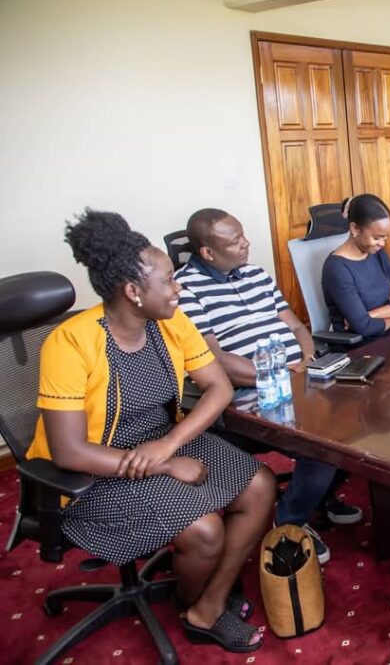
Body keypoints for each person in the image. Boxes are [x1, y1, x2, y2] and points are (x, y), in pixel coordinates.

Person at [28, 210, 275, 653]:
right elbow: (68, 451)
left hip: (160, 441)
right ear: (133, 291)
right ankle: (196, 605)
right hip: (93, 472)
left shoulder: (171, 321)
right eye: (169, 280)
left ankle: (209, 603)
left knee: (260, 484)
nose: (178, 288)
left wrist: (169, 445)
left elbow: (218, 386)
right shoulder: (70, 343)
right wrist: (166, 464)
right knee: (204, 530)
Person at [175, 208, 362, 565]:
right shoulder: (185, 289)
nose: (246, 244)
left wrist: (307, 359)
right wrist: (280, 375)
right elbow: (213, 360)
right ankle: (288, 523)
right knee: (321, 441)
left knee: (360, 414)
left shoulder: (257, 274)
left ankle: (318, 496)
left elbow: (297, 327)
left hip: (296, 376)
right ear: (208, 252)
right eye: (235, 241)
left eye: (243, 235)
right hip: (248, 394)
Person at [322, 194, 390, 336]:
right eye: (376, 238)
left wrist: (371, 315)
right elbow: (364, 327)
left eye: (385, 237)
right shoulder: (337, 269)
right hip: (363, 344)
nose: (382, 243)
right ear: (355, 229)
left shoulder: (377, 253)